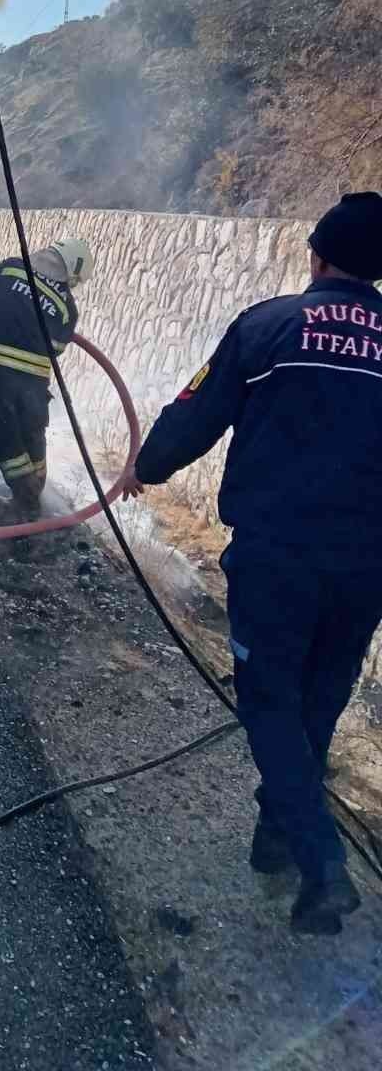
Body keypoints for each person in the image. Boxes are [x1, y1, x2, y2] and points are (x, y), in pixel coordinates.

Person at [124, 191, 382, 934]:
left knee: (269, 703)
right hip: (366, 567)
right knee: (319, 699)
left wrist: (146, 466)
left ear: (319, 255)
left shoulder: (271, 325)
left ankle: (321, 862)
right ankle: (277, 839)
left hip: (279, 557)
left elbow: (197, 412)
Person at [0, 239, 93, 515]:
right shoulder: (67, 306)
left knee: (5, 436)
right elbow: (56, 348)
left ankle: (26, 503)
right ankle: (33, 500)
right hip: (34, 387)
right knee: (33, 435)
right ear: (71, 273)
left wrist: (3, 308)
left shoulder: (12, 269)